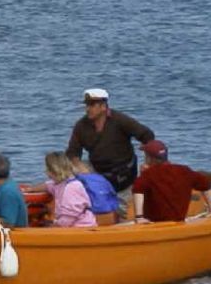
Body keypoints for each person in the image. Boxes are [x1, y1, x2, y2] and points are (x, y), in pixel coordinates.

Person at [66, 88, 154, 221]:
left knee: (121, 212)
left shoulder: (121, 120)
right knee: (72, 171)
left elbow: (147, 135)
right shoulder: (81, 126)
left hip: (124, 175)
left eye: (92, 105)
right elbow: (72, 153)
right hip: (98, 173)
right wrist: (81, 168)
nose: (88, 109)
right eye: (87, 105)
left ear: (103, 106)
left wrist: (147, 161)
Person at [132, 140, 211, 223]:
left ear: (149, 158)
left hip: (154, 223)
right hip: (179, 220)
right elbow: (206, 185)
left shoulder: (148, 174)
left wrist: (139, 217)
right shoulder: (184, 171)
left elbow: (138, 191)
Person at [41, 152, 96, 228]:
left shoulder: (71, 187)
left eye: (47, 169)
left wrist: (54, 226)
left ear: (54, 170)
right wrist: (30, 189)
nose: (46, 173)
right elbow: (49, 186)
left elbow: (68, 218)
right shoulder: (62, 183)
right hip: (72, 225)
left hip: (81, 227)